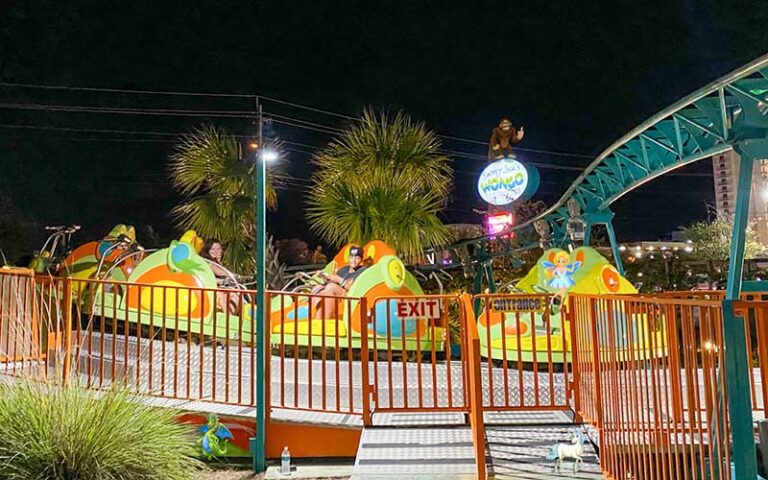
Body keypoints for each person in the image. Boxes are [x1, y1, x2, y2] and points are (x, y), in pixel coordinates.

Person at [311, 245, 366, 320]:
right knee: (318, 288)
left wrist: (340, 280)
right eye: (352, 257)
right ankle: (318, 320)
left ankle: (326, 320)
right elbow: (333, 281)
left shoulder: (363, 271)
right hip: (334, 293)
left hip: (349, 296)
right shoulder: (344, 269)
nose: (354, 260)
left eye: (357, 258)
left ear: (361, 260)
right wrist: (325, 277)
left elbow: (355, 288)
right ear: (349, 258)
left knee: (330, 288)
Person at [202, 239, 240, 314]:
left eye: (218, 249)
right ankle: (228, 317)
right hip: (206, 289)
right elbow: (219, 272)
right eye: (213, 249)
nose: (216, 251)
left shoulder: (216, 261)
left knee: (235, 295)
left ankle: (230, 315)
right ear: (207, 250)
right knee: (222, 295)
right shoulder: (207, 261)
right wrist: (235, 276)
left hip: (215, 287)